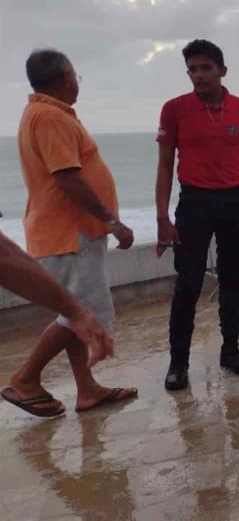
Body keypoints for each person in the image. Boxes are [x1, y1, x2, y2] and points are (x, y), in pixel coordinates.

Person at [3, 49, 139, 418]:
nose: (77, 81)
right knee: (83, 311)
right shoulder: (49, 117)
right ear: (66, 77)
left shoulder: (45, 113)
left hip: (69, 232)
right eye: (76, 74)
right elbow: (68, 178)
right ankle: (26, 379)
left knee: (77, 307)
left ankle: (87, 389)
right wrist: (113, 221)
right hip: (68, 233)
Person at [156, 39, 239, 391]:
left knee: (233, 278)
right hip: (194, 203)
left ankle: (231, 351)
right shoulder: (175, 109)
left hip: (236, 202)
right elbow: (164, 165)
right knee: (188, 282)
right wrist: (162, 217)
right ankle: (178, 362)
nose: (198, 75)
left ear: (222, 70)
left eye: (205, 68)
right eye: (192, 69)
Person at [0, 230, 113, 365]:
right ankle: (26, 379)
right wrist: (76, 312)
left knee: (76, 317)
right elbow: (5, 258)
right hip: (66, 234)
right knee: (79, 312)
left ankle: (84, 383)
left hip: (68, 235)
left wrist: (75, 312)